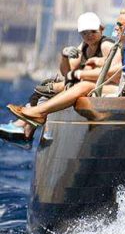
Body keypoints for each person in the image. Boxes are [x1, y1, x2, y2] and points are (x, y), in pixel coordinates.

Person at [0, 12, 115, 143]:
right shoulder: (84, 47)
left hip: (103, 86)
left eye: (92, 31)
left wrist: (80, 75)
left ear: (101, 28)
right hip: (87, 84)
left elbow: (112, 72)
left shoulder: (106, 45)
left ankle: (23, 129)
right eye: (84, 33)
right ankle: (24, 131)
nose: (89, 36)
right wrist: (64, 56)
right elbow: (66, 72)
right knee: (45, 88)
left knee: (52, 89)